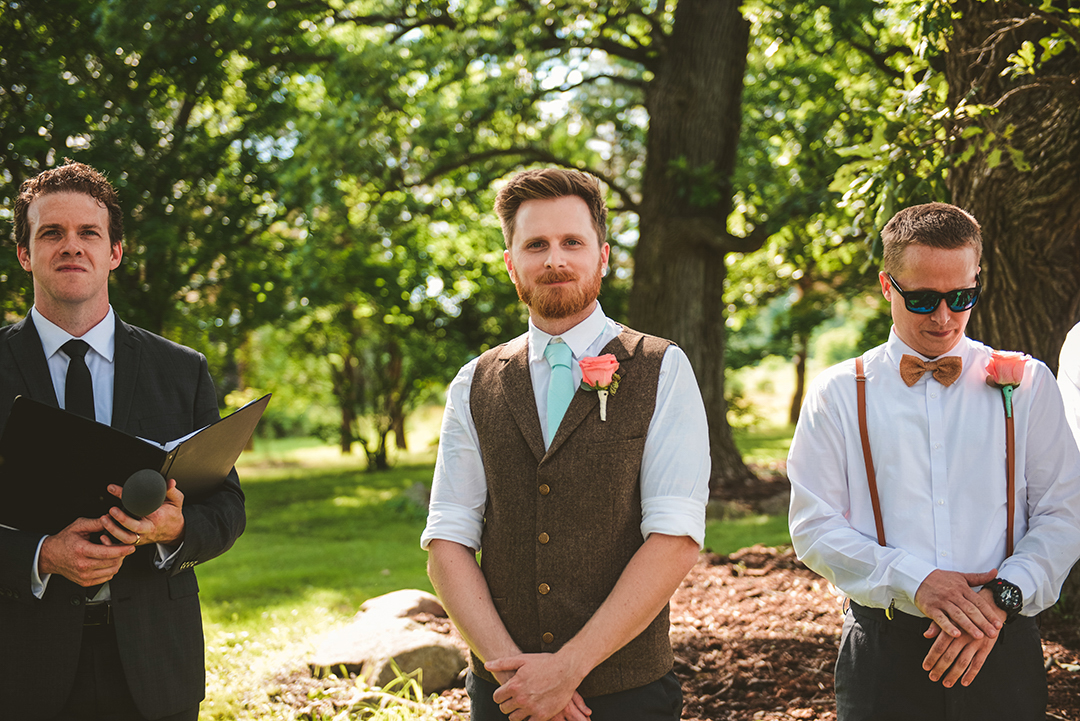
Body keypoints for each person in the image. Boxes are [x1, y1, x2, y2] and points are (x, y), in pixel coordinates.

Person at [421, 167, 710, 721]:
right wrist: (517, 676)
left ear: (602, 256)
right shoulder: (473, 381)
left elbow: (674, 537)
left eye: (572, 242)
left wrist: (567, 668)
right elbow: (447, 542)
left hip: (629, 696)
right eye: (536, 245)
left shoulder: (662, 368)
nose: (555, 259)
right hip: (505, 696)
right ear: (512, 264)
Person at [787, 202, 1080, 720]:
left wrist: (1000, 599)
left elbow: (1065, 512)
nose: (944, 318)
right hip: (885, 650)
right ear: (886, 285)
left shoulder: (1030, 384)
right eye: (922, 299)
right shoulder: (837, 393)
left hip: (1004, 644)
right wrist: (915, 579)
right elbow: (813, 528)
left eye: (962, 296)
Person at [0, 161, 246, 721]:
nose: (72, 246)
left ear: (114, 251)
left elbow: (227, 508)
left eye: (89, 232)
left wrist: (178, 528)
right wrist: (40, 556)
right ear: (24, 253)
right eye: (51, 233)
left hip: (156, 666)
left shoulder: (182, 370)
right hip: (17, 667)